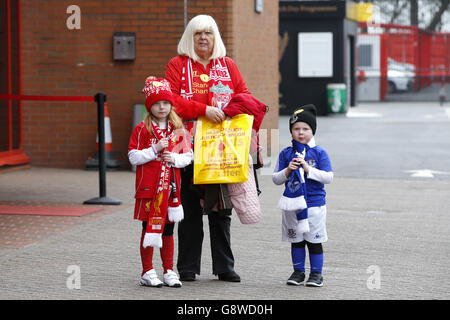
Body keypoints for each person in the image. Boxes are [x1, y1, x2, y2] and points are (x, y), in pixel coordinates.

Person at [163, 14, 251, 282]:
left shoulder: (228, 65)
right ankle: (187, 267)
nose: (203, 37)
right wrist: (204, 110)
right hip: (185, 145)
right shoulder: (177, 64)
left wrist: (228, 111)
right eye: (198, 33)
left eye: (209, 33)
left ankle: (224, 267)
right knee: (189, 209)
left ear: (216, 38)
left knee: (220, 209)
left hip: (220, 150)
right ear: (189, 37)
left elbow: (244, 97)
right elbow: (170, 101)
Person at [128, 78, 192, 287]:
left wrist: (174, 159)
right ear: (149, 106)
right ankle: (147, 271)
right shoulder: (142, 129)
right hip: (149, 189)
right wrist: (154, 150)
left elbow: (188, 156)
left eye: (165, 102)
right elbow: (133, 156)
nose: (162, 107)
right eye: (156, 103)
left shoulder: (179, 128)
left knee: (168, 230)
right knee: (149, 229)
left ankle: (169, 270)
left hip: (171, 190)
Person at [272, 104, 333, 287]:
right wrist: (288, 171)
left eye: (305, 129)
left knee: (314, 241)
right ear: (291, 131)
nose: (301, 133)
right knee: (296, 240)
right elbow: (275, 179)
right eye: (296, 128)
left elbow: (328, 177)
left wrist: (308, 169)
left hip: (314, 205)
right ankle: (298, 272)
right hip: (292, 205)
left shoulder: (319, 152)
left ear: (312, 131)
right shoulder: (286, 153)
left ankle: (316, 274)